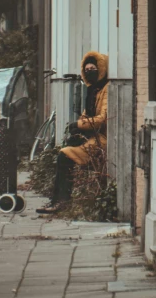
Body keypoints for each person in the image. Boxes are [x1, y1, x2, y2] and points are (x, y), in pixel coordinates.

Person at [37, 50, 108, 214]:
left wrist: (79, 124)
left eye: (93, 69)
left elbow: (102, 118)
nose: (90, 72)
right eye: (87, 70)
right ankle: (58, 200)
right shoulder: (92, 90)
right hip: (91, 136)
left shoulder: (105, 89)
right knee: (65, 151)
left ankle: (61, 201)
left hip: (101, 138)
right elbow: (86, 114)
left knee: (65, 155)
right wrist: (77, 126)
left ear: (101, 69)